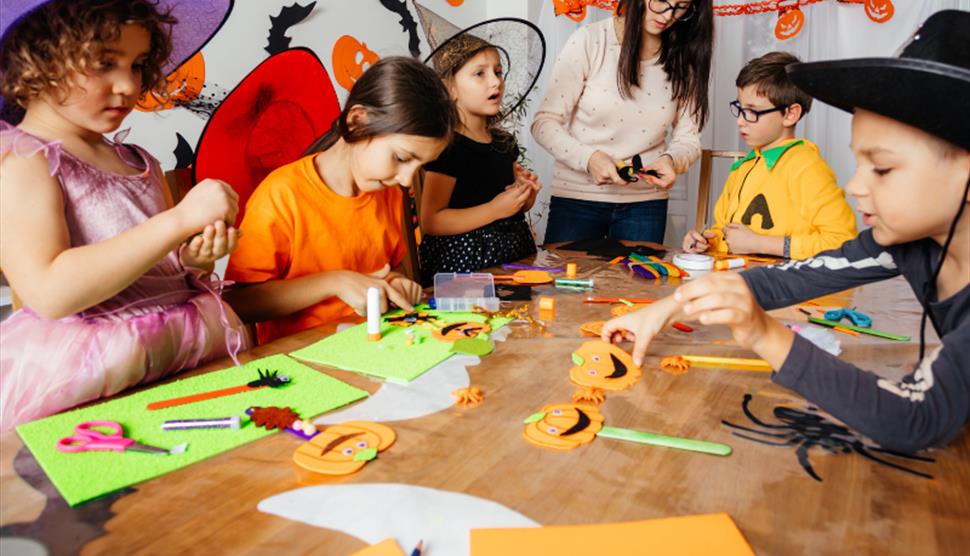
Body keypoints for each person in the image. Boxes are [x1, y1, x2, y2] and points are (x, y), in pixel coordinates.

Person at [603, 11, 970, 453]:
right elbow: (788, 278)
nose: (856, 186)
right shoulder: (908, 243)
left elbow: (917, 418)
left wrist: (763, 333)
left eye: (884, 168)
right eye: (860, 163)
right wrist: (669, 307)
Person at [0, 0, 248, 429]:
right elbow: (49, 291)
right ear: (38, 60)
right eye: (104, 64)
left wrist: (192, 257)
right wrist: (177, 221)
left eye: (136, 65)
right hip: (92, 380)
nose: (129, 86)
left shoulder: (136, 159)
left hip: (179, 353)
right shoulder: (23, 160)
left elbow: (150, 266)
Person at [224, 57, 456, 344]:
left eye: (419, 166)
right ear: (357, 122)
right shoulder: (283, 194)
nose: (408, 179)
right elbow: (238, 303)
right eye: (401, 158)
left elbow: (387, 268)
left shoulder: (387, 192)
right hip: (303, 362)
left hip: (376, 346)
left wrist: (394, 283)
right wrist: (336, 282)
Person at [532, 0, 713, 244]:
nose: (668, 15)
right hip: (577, 200)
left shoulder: (683, 60)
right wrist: (590, 159)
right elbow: (544, 123)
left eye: (681, 6)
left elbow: (688, 139)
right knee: (563, 282)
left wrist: (671, 160)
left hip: (645, 206)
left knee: (636, 282)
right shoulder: (589, 40)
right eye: (661, 1)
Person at [683, 52, 856, 259]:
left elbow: (841, 242)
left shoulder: (806, 167)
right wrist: (707, 242)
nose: (740, 120)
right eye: (740, 108)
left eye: (752, 111)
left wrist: (761, 243)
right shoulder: (743, 168)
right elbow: (728, 234)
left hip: (787, 287)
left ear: (791, 114)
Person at [419, 32, 541, 281]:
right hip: (464, 265)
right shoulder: (448, 147)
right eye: (480, 74)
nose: (496, 82)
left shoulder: (504, 143)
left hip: (513, 256)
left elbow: (512, 208)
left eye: (497, 72)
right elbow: (431, 220)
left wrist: (523, 195)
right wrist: (494, 209)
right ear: (449, 88)